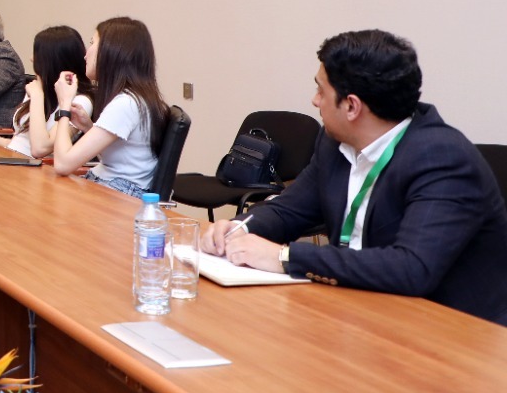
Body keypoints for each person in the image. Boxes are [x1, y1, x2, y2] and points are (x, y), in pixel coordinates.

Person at [200, 30, 507, 324]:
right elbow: (289, 209)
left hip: (448, 329)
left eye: (321, 90)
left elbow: (412, 268)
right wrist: (239, 229)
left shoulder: (442, 159)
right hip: (358, 305)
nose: (315, 100)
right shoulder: (334, 141)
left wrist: (285, 256)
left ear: (351, 106)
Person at [50, 17, 168, 196]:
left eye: (92, 43)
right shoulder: (134, 98)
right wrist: (89, 127)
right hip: (112, 186)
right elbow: (121, 155)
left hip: (118, 194)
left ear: (111, 52)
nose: (85, 54)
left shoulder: (126, 103)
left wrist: (64, 105)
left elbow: (62, 164)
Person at [0, 26, 96, 158]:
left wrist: (37, 97)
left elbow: (40, 149)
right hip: (12, 160)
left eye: (37, 54)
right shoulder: (39, 88)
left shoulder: (79, 102)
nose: (31, 58)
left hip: (37, 168)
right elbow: (20, 145)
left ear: (52, 60)